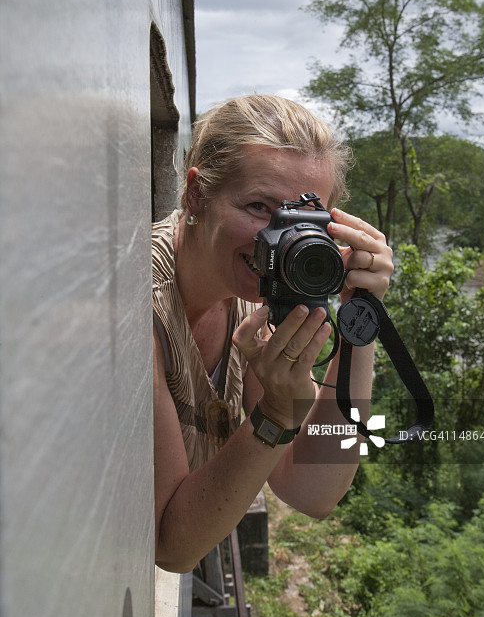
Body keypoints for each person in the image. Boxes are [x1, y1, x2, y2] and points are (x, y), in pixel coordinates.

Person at [153, 94, 393, 573]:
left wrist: (360, 320)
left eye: (303, 219)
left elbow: (312, 491)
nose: (280, 239)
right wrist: (276, 415)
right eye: (260, 207)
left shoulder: (258, 299)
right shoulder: (137, 310)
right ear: (196, 194)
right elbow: (173, 548)